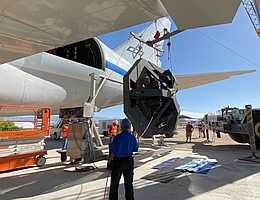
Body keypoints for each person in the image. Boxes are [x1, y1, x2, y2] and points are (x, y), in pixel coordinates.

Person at [107, 118, 139, 200]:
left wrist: (109, 163)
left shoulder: (117, 137)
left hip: (118, 161)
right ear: (129, 127)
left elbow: (112, 151)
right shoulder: (132, 137)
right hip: (129, 161)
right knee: (128, 184)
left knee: (114, 183)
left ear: (121, 127)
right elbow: (136, 149)